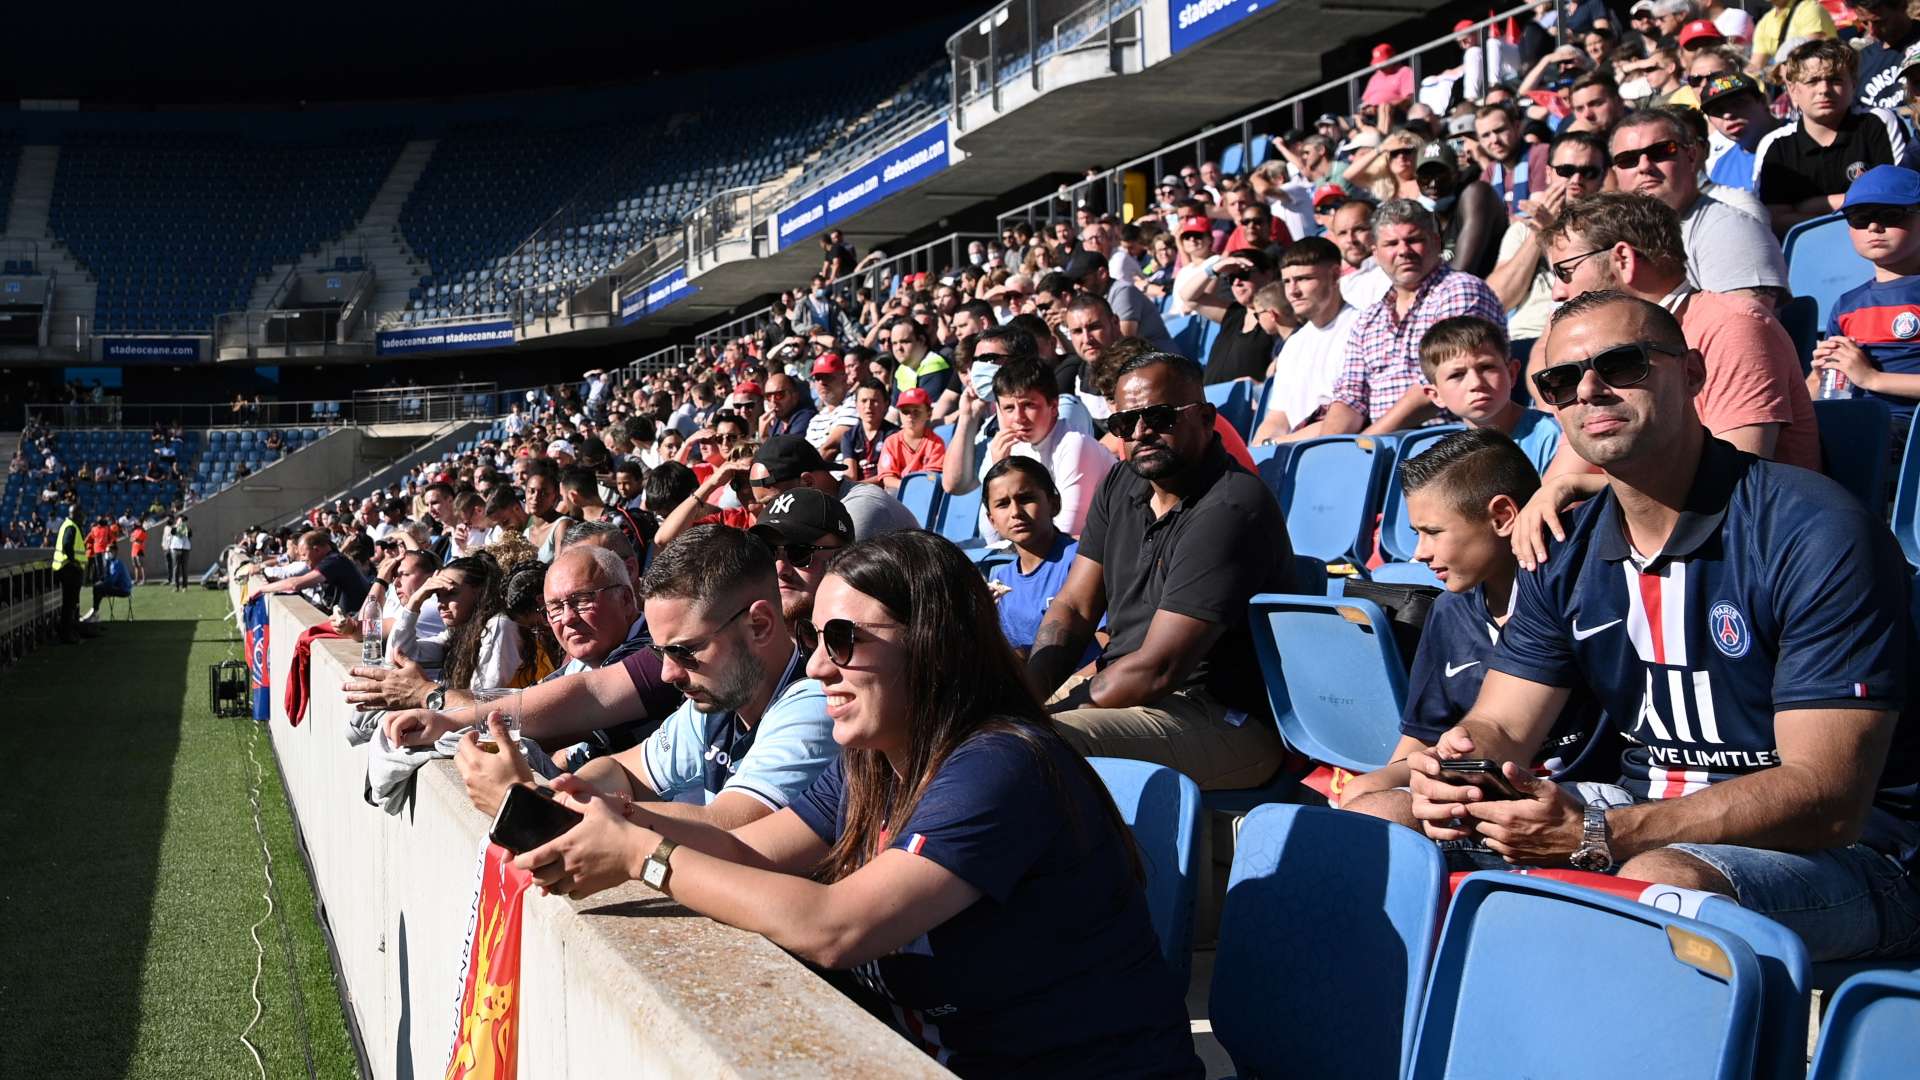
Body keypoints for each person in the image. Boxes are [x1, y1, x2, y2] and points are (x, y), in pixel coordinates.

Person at [511, 530, 1202, 1077]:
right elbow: (750, 846)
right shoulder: (876, 759)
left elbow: (836, 928)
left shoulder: (1002, 766)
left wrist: (644, 858)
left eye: (842, 639)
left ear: (933, 641)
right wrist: (600, 817)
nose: (816, 666)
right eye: (813, 638)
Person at [1407, 290, 1920, 962]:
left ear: (1694, 374)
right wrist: (1461, 763)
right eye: (1560, 381)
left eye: (1622, 365)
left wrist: (1601, 833)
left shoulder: (1813, 529)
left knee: (1659, 885)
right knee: (1386, 822)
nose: (1589, 390)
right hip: (1641, 808)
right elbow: (1503, 723)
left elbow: (1827, 797)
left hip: (1858, 856)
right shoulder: (1563, 549)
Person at [441, 524, 835, 831]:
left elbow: (729, 827)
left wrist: (533, 802)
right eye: (662, 652)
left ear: (761, 626)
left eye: (684, 650)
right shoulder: (717, 696)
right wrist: (571, 796)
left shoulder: (813, 705)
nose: (668, 673)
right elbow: (623, 770)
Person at [1030, 352, 1295, 790]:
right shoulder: (1120, 483)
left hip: (1222, 719)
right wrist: (1023, 697)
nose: (1140, 432)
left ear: (1207, 418)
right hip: (1124, 695)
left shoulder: (1230, 506)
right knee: (969, 730)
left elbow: (1158, 669)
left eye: (1159, 417)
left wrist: (1043, 712)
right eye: (1123, 423)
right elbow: (1074, 609)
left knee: (1030, 745)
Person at [1340, 430, 1606, 825]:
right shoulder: (1448, 612)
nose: (1419, 553)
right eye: (1416, 534)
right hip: (1476, 790)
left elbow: (1658, 503)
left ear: (1502, 517)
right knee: (1367, 801)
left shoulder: (1579, 584)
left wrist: (1571, 484)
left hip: (1583, 794)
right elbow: (1421, 737)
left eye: (1432, 532)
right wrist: (1385, 779)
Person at [1536, 190, 1821, 474]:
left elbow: (1733, 479)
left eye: (1565, 271)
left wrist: (1577, 488)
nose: (1558, 292)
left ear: (1623, 259)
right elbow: (1562, 480)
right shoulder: (1597, 354)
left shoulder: (1734, 327)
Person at [1308, 200, 1507, 437]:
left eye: (1414, 240)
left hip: (1451, 439)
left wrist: (1367, 443)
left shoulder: (1459, 291)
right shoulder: (1370, 319)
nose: (1403, 251)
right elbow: (1350, 396)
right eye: (1391, 243)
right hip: (1385, 447)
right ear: (1376, 253)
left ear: (1436, 242)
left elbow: (1442, 384)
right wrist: (1332, 448)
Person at [1609, 108, 1788, 308]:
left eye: (1661, 152)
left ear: (1692, 156)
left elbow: (1742, 330)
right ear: (1615, 172)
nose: (1644, 166)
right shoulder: (1608, 237)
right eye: (1627, 160)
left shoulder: (1732, 229)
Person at [1812, 165, 1920, 450]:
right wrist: (1819, 377)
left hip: (1906, 427)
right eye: (1859, 218)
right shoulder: (1847, 305)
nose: (1873, 226)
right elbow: (1818, 391)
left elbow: (1866, 378)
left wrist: (1871, 378)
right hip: (1852, 419)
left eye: (1891, 215)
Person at [1755, 38, 1910, 236]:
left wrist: (1810, 206)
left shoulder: (1878, 122)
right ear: (1793, 90)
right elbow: (1775, 220)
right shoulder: (1776, 145)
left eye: (1835, 79)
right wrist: (1855, 207)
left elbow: (1895, 199)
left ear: (1853, 83)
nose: (1824, 90)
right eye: (1812, 81)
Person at [953, 357, 1117, 539]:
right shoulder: (1007, 448)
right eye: (1009, 408)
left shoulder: (1075, 444)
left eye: (1028, 405)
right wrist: (999, 472)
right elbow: (991, 533)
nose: (1018, 418)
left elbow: (1067, 532)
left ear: (1053, 406)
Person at [1251, 237, 1360, 445]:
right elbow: (1277, 418)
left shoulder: (1361, 327)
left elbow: (1344, 418)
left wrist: (1277, 443)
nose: (1293, 291)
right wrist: (1258, 452)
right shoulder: (1293, 344)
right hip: (1289, 451)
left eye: (1303, 279)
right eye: (1286, 282)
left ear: (1335, 275)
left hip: (1339, 450)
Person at [1418, 317, 1561, 473]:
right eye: (1457, 375)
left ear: (1512, 373)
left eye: (1486, 367)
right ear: (1435, 395)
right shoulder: (1446, 460)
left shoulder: (1553, 435)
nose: (1476, 383)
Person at [981, 457, 1086, 663]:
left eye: (1026, 498)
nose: (1016, 512)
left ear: (1053, 504)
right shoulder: (1002, 580)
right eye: (1003, 504)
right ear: (992, 520)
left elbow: (1106, 637)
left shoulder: (1081, 562)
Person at [1176, 248, 1289, 385]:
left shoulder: (1280, 317)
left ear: (1268, 274)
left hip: (1247, 402)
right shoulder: (1233, 313)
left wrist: (1260, 388)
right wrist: (1214, 270)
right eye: (1231, 278)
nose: (1236, 282)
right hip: (1211, 400)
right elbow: (1188, 297)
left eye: (1243, 275)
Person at [1413, 141, 1506, 279]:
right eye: (1425, 177)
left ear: (1456, 174)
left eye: (1441, 176)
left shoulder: (1477, 195)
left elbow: (1461, 276)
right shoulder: (1423, 216)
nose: (1433, 184)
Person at [1696, 73, 1779, 194]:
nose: (1728, 115)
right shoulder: (1718, 168)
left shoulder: (1804, 136)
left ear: (1762, 101)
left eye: (1737, 103)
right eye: (1717, 111)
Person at [258, 528, 370, 612]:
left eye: (304, 555)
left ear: (316, 550)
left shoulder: (333, 561)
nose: (303, 559)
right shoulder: (333, 559)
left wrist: (261, 589)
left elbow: (294, 584)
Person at [875, 388, 945, 493]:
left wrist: (916, 488)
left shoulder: (936, 443)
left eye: (916, 411)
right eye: (905, 411)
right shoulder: (891, 442)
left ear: (929, 413)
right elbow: (888, 479)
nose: (910, 416)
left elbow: (932, 477)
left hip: (924, 493)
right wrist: (907, 487)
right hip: (897, 493)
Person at [837, 377, 897, 484]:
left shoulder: (895, 435)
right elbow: (850, 475)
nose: (868, 406)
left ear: (886, 404)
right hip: (857, 494)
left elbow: (888, 476)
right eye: (864, 401)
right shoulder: (849, 436)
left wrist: (857, 486)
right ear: (856, 404)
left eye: (874, 401)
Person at [520, 458, 575, 563]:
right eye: (531, 491)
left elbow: (561, 566)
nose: (535, 498)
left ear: (555, 496)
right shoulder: (527, 532)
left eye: (544, 493)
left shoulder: (562, 525)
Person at [51, 501, 88, 643]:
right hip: (69, 570)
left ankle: (69, 632)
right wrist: (74, 562)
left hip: (65, 570)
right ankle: (67, 635)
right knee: (70, 604)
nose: (83, 517)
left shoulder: (68, 525)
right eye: (81, 514)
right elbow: (67, 545)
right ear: (76, 514)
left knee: (70, 604)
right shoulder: (71, 527)